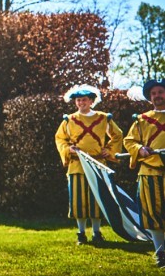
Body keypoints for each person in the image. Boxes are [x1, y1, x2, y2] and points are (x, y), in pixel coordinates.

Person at [55, 84, 123, 246]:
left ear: (91, 101)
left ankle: (97, 233)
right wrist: (68, 149)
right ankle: (81, 233)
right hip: (77, 165)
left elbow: (117, 135)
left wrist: (109, 150)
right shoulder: (69, 120)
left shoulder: (103, 118)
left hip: (97, 164)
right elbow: (60, 138)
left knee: (97, 198)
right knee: (78, 200)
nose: (80, 103)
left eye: (84, 99)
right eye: (78, 100)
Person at [124, 78, 165, 268]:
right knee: (153, 213)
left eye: (161, 92)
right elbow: (129, 141)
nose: (158, 96)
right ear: (150, 97)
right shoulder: (141, 120)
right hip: (149, 173)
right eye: (154, 93)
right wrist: (139, 149)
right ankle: (160, 253)